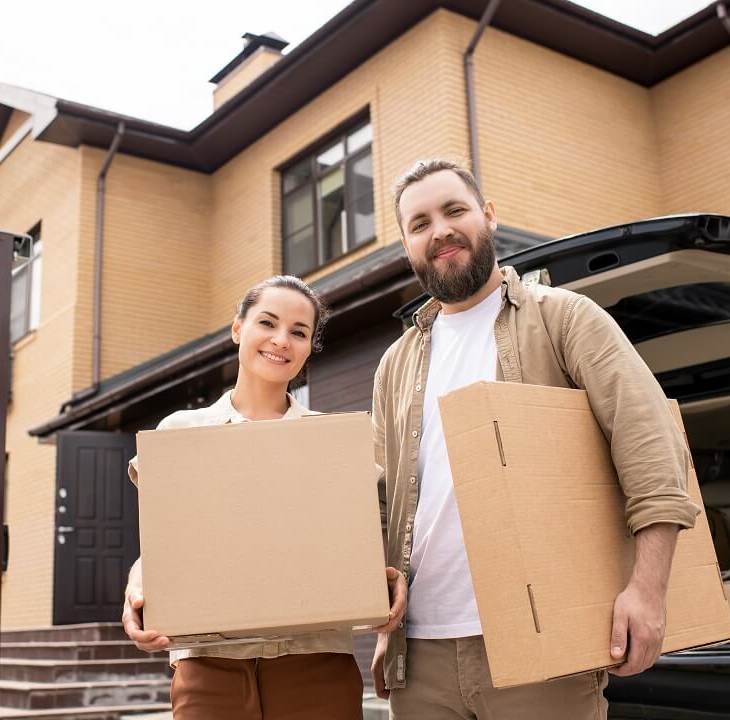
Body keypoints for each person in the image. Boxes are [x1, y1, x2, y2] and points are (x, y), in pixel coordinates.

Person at [370, 159, 700, 719]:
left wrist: (648, 590)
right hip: (421, 655)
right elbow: (384, 503)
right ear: (407, 244)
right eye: (419, 223)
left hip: (544, 643)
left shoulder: (564, 318)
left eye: (455, 210)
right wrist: (383, 619)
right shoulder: (394, 365)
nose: (441, 231)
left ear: (489, 215)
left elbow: (650, 443)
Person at [121, 275, 408, 720]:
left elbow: (366, 543)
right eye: (267, 323)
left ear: (311, 347)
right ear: (238, 328)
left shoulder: (337, 443)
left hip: (316, 665)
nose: (281, 340)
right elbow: (162, 547)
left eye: (299, 332)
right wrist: (137, 586)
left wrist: (386, 582)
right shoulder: (180, 434)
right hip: (208, 669)